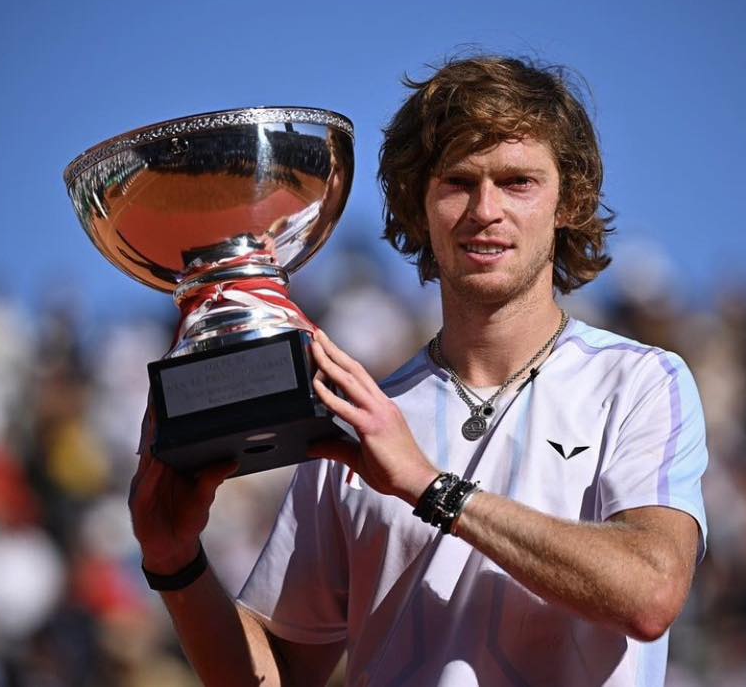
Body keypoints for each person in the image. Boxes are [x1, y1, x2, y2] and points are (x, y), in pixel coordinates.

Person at [129, 55, 708, 686]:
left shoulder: (641, 381)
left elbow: (651, 592)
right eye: (458, 182)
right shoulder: (355, 418)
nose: (486, 209)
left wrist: (431, 488)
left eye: (517, 182)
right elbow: (283, 676)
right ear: (419, 204)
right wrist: (175, 562)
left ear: (569, 200)